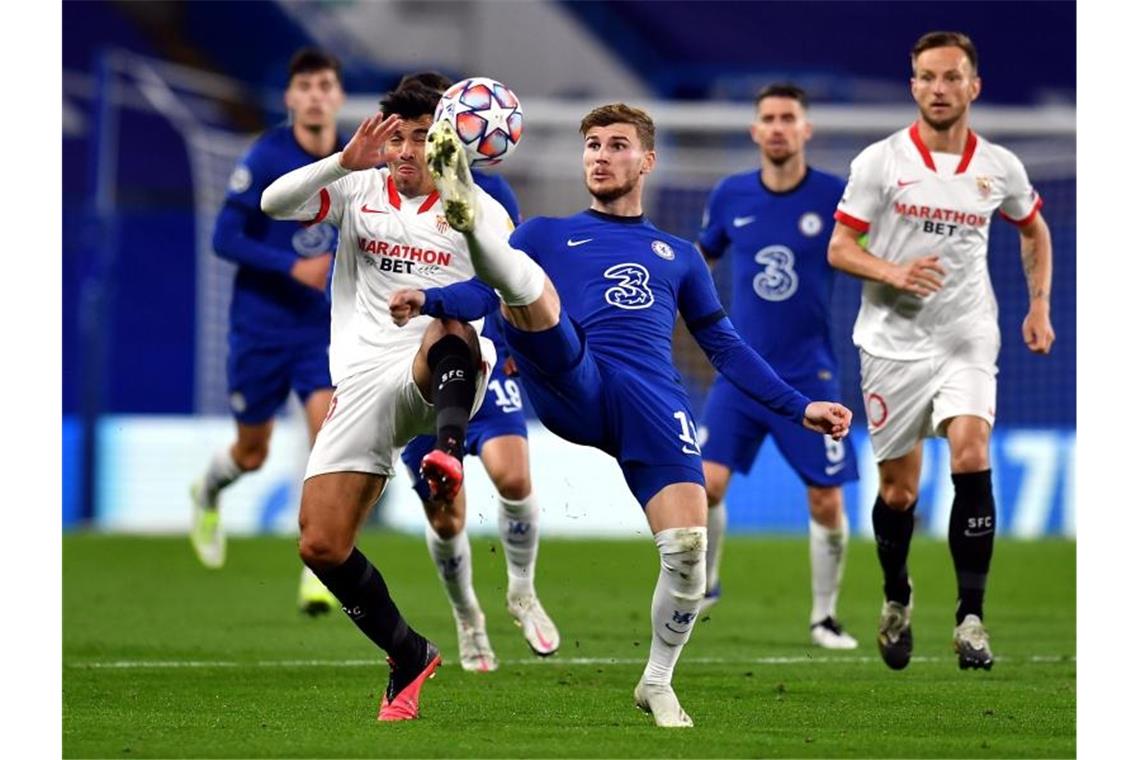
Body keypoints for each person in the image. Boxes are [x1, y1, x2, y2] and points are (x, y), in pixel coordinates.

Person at [402, 103, 852, 727]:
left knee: (689, 549)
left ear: (646, 161)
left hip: (650, 402)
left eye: (617, 145)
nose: (601, 156)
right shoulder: (546, 234)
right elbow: (482, 296)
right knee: (531, 292)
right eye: (592, 145)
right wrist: (430, 299)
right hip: (572, 377)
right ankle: (470, 215)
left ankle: (657, 682)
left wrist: (799, 406)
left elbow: (725, 347)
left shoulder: (680, 255)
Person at [259, 83, 517, 721]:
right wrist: (343, 162)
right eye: (395, 136)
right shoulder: (358, 189)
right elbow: (272, 204)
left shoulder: (477, 207)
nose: (404, 150)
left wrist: (432, 301)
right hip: (361, 381)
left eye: (418, 136)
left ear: (445, 139)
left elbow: (493, 298)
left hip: (442, 370)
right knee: (320, 544)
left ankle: (449, 456)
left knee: (449, 332)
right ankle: (408, 653)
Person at [827, 31, 1055, 672]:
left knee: (971, 450)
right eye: (927, 77)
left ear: (973, 86)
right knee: (899, 494)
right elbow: (840, 248)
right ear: (913, 85)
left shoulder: (1000, 167)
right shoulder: (882, 161)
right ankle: (897, 595)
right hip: (892, 345)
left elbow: (1033, 226)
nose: (939, 88)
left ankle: (970, 618)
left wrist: (1038, 306)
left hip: (967, 335)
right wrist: (892, 272)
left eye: (951, 77)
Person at [393, 73, 559, 672]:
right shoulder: (385, 196)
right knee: (448, 513)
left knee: (514, 478)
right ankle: (467, 617)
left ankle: (522, 590)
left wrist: (435, 302)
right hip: (410, 375)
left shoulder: (494, 200)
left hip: (481, 359)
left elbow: (495, 288)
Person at [695, 84, 859, 650]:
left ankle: (825, 617)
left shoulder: (837, 195)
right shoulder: (731, 194)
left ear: (806, 129)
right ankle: (706, 582)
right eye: (769, 117)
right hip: (740, 374)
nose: (779, 127)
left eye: (789, 117)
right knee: (706, 485)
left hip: (809, 376)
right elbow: (700, 260)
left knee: (826, 498)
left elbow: (862, 251)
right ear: (755, 131)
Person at [189, 48, 344, 616]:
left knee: (326, 438)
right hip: (259, 326)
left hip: (318, 332)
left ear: (336, 94)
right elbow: (223, 239)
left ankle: (319, 570)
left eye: (325, 85)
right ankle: (207, 490)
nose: (315, 95)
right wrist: (290, 267)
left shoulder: (354, 159)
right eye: (304, 85)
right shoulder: (264, 156)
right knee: (252, 453)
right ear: (289, 98)